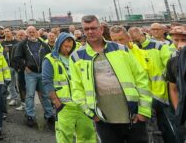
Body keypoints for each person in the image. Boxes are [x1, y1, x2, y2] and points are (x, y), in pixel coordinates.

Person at [70, 15, 151, 143]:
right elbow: (76, 88)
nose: (90, 32)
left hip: (133, 114)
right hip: (104, 119)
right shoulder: (77, 57)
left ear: (101, 29)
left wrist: (144, 111)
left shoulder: (120, 49)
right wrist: (91, 113)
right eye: (86, 29)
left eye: (93, 28)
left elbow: (140, 78)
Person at [42, 32, 95, 143]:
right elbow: (47, 82)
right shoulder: (50, 59)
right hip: (64, 106)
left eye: (70, 46)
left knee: (87, 135)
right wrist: (56, 102)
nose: (68, 48)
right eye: (65, 46)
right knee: (65, 137)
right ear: (59, 44)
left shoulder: (77, 57)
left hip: (82, 104)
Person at [13, 25, 54, 127]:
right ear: (27, 33)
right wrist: (24, 67)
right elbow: (17, 57)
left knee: (45, 94)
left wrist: (47, 69)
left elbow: (49, 56)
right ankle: (30, 115)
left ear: (36, 32)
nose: (31, 33)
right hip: (30, 74)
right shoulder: (23, 44)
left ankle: (49, 115)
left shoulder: (42, 44)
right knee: (30, 95)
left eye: (33, 31)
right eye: (29, 32)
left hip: (42, 73)